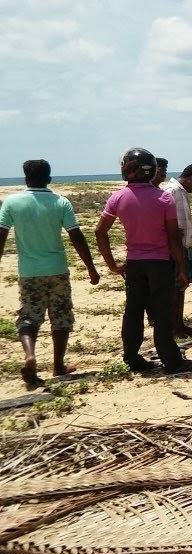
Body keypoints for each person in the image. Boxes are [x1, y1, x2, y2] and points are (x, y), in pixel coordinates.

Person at [96, 148, 192, 374]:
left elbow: (100, 232)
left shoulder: (117, 197)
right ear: (152, 170)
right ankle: (171, 361)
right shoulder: (163, 197)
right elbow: (174, 237)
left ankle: (132, 357)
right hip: (160, 263)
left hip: (135, 263)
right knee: (163, 313)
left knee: (133, 311)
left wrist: (112, 265)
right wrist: (182, 268)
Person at [0, 160, 101, 389]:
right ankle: (58, 365)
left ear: (25, 178)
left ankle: (30, 354)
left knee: (28, 316)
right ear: (49, 179)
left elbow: (1, 235)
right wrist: (91, 268)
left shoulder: (12, 202)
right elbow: (76, 236)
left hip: (29, 271)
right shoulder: (60, 202)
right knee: (61, 316)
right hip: (56, 269)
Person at [165, 163, 192, 337]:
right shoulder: (173, 191)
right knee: (176, 286)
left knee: (181, 285)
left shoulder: (180, 191)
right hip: (177, 247)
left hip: (183, 245)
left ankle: (179, 324)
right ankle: (174, 327)